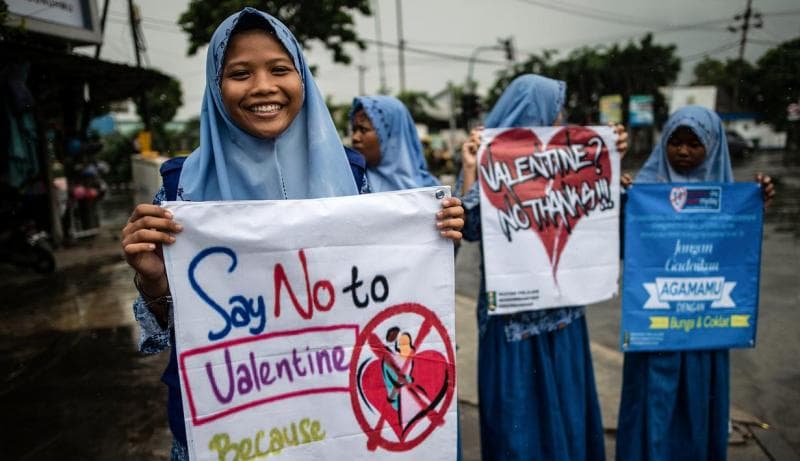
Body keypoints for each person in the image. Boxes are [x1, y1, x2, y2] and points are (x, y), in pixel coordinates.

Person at [120, 8, 464, 460]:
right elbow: (166, 332)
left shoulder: (353, 176)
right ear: (215, 87)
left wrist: (435, 241)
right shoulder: (180, 190)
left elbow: (386, 296)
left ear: (303, 78)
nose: (264, 87)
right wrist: (153, 282)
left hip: (343, 417)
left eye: (280, 69)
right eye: (240, 73)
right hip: (237, 420)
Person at [458, 74, 628, 460]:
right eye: (555, 115)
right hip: (511, 325)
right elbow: (466, 228)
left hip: (563, 318)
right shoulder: (492, 160)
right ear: (530, 116)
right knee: (518, 427)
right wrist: (471, 168)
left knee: (566, 419)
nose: (562, 125)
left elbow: (607, 216)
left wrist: (613, 157)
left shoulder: (572, 163)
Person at [616, 105, 774, 461]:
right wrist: (624, 204)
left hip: (706, 334)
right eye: (675, 142)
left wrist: (755, 206)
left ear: (713, 147)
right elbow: (626, 252)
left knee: (700, 414)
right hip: (655, 336)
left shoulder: (732, 200)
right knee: (651, 415)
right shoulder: (642, 192)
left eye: (694, 143)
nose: (684, 152)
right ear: (663, 144)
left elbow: (737, 256)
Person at [350, 95, 440, 191]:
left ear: (392, 137)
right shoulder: (353, 184)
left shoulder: (432, 191)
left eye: (363, 129)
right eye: (354, 130)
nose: (355, 137)